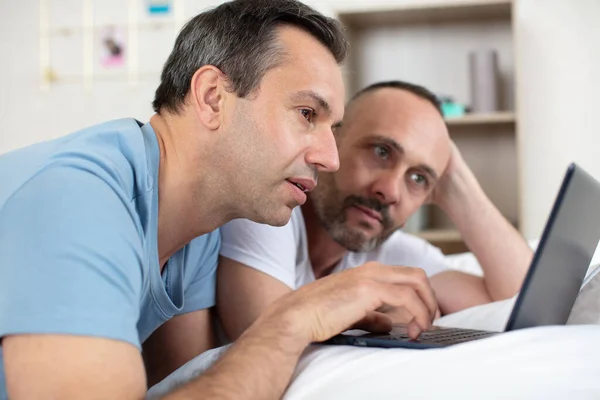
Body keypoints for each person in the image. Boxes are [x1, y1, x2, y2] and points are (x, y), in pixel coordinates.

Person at [0, 2, 442, 399]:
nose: (329, 158)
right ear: (212, 97)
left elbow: (184, 384)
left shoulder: (197, 233)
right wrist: (294, 319)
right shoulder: (77, 203)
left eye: (331, 127)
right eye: (307, 114)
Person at [217, 80, 534, 341]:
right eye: (381, 152)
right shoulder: (265, 211)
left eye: (418, 178)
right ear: (332, 139)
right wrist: (372, 315)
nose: (391, 191)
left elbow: (527, 304)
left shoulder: (391, 252)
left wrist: (458, 186)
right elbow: (268, 347)